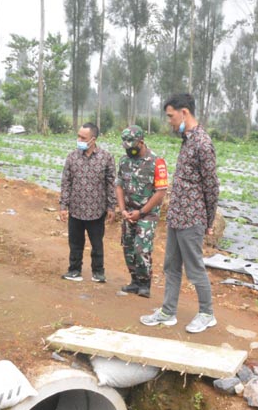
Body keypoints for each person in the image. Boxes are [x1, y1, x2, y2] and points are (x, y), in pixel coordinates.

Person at [140, 93, 220, 333]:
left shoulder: (203, 143)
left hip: (192, 218)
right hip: (177, 216)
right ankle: (168, 311)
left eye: (171, 116)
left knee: (194, 268)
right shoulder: (187, 140)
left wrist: (208, 219)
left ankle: (207, 313)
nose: (170, 121)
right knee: (171, 266)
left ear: (184, 112)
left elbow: (211, 185)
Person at [59, 122, 116, 283]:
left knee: (97, 243)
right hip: (76, 208)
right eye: (78, 136)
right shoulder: (72, 157)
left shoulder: (106, 158)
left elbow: (111, 184)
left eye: (83, 137)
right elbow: (66, 182)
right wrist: (63, 206)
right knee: (75, 243)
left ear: (93, 139)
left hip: (96, 210)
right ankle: (74, 270)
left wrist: (111, 206)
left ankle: (98, 272)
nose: (79, 140)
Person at [116, 125, 168, 298]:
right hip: (129, 213)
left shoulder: (157, 162)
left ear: (141, 142)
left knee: (141, 248)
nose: (130, 150)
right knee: (129, 247)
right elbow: (119, 186)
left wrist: (142, 212)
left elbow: (160, 193)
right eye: (126, 147)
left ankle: (145, 283)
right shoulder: (124, 161)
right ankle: (134, 281)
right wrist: (122, 210)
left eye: (133, 146)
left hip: (148, 214)